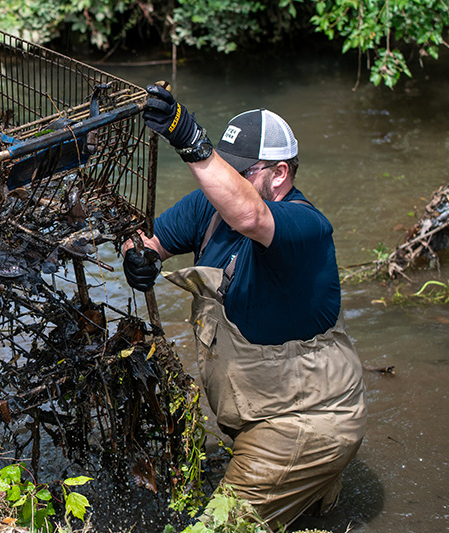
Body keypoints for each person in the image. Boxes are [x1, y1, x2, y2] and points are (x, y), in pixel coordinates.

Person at [122, 85, 367, 530]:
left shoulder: (304, 227)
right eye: (223, 169)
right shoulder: (211, 208)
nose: (224, 183)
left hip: (302, 425)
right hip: (262, 416)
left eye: (239, 173)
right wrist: (138, 255)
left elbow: (252, 217)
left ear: (279, 174)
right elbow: (150, 238)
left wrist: (190, 142)